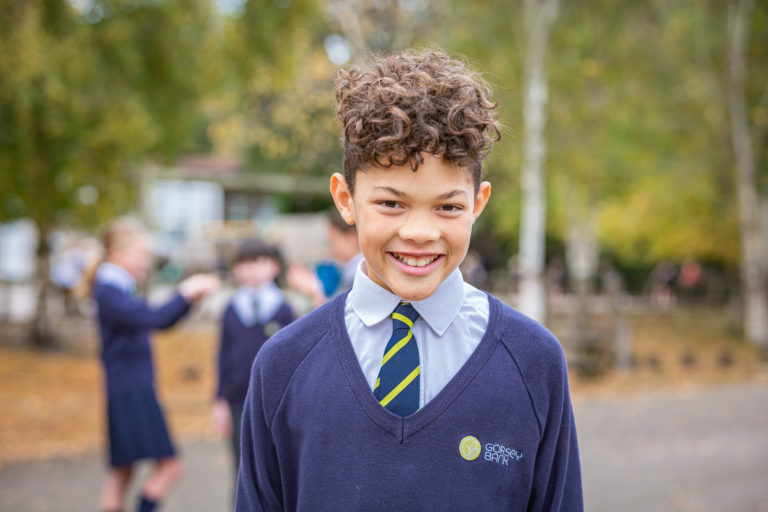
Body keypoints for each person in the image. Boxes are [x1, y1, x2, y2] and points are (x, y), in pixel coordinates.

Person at [236, 50, 583, 511]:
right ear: (346, 199)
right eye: (392, 204)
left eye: (448, 206)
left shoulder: (534, 362)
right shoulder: (283, 366)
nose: (420, 233)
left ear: (478, 204)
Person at [91, 218, 219, 512]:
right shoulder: (109, 291)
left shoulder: (114, 288)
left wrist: (189, 299)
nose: (145, 262)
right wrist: (186, 291)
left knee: (122, 472)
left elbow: (158, 320)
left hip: (125, 387)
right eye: (140, 253)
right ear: (117, 253)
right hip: (131, 389)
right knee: (170, 467)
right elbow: (154, 319)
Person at [212, 238, 295, 494]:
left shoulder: (283, 310)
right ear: (236, 270)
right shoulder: (231, 310)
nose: (251, 270)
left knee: (279, 469)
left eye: (258, 262)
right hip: (239, 401)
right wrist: (219, 399)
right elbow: (222, 356)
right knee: (242, 471)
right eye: (244, 264)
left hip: (276, 403)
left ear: (274, 266)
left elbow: (293, 360)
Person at [286, 208, 363, 309]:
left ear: (352, 237)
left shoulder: (360, 276)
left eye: (333, 240)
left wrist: (315, 293)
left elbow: (347, 320)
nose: (331, 248)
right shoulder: (349, 272)